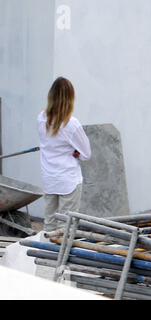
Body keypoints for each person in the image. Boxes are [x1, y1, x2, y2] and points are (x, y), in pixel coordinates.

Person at [38, 77, 91, 231]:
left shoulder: (41, 119)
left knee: (49, 224)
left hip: (49, 179)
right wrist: (76, 153)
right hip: (68, 180)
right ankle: (62, 255)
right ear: (70, 98)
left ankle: (46, 254)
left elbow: (49, 142)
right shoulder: (71, 124)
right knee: (66, 226)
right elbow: (87, 153)